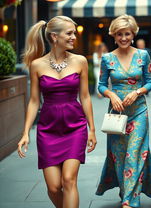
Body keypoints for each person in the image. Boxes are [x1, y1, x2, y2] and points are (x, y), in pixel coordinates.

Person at [17, 16, 97, 208]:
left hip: (75, 126)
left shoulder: (80, 61)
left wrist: (91, 129)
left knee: (69, 180)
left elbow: (85, 97)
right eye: (69, 33)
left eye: (74, 33)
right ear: (54, 36)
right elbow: (34, 101)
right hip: (48, 130)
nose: (73, 37)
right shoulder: (37, 65)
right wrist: (26, 132)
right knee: (53, 187)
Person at [95, 14, 151, 208]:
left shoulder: (143, 55)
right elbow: (100, 85)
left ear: (133, 35)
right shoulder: (107, 58)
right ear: (114, 36)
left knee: (135, 153)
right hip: (116, 114)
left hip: (139, 111)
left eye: (127, 34)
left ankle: (129, 200)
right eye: (119, 34)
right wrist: (111, 95)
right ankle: (126, 190)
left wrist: (138, 91)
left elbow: (150, 81)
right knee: (119, 155)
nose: (123, 38)